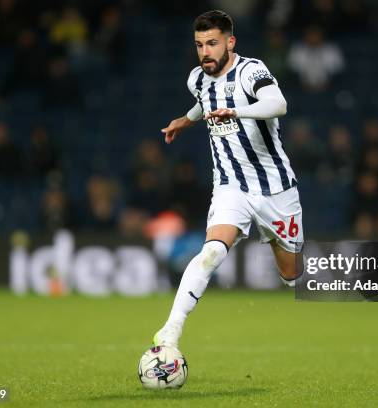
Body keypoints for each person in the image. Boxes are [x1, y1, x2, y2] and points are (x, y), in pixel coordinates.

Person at [154, 10, 303, 348]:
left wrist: (238, 111)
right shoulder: (197, 79)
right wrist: (186, 119)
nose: (205, 52)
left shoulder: (251, 70)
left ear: (230, 42)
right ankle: (170, 331)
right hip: (230, 185)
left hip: (275, 187)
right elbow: (204, 101)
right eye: (199, 45)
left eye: (212, 43)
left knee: (292, 273)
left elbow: (277, 104)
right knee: (211, 253)